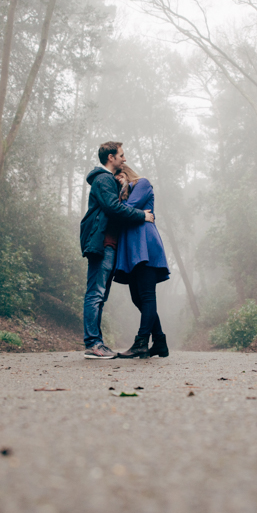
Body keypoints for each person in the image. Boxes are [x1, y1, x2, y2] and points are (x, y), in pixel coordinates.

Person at [79, 141, 154, 359]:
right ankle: (93, 344)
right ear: (111, 157)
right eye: (121, 155)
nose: (124, 158)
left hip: (109, 244)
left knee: (100, 295)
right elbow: (113, 208)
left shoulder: (108, 180)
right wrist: (143, 215)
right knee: (96, 293)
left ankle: (96, 343)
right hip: (102, 244)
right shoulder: (103, 179)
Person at [112, 163, 170, 359]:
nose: (118, 181)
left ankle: (141, 342)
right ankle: (160, 342)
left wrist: (119, 210)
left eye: (119, 177)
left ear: (126, 173)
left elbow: (126, 209)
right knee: (138, 297)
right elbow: (122, 213)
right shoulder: (125, 194)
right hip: (132, 249)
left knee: (146, 295)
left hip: (145, 244)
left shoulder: (142, 183)